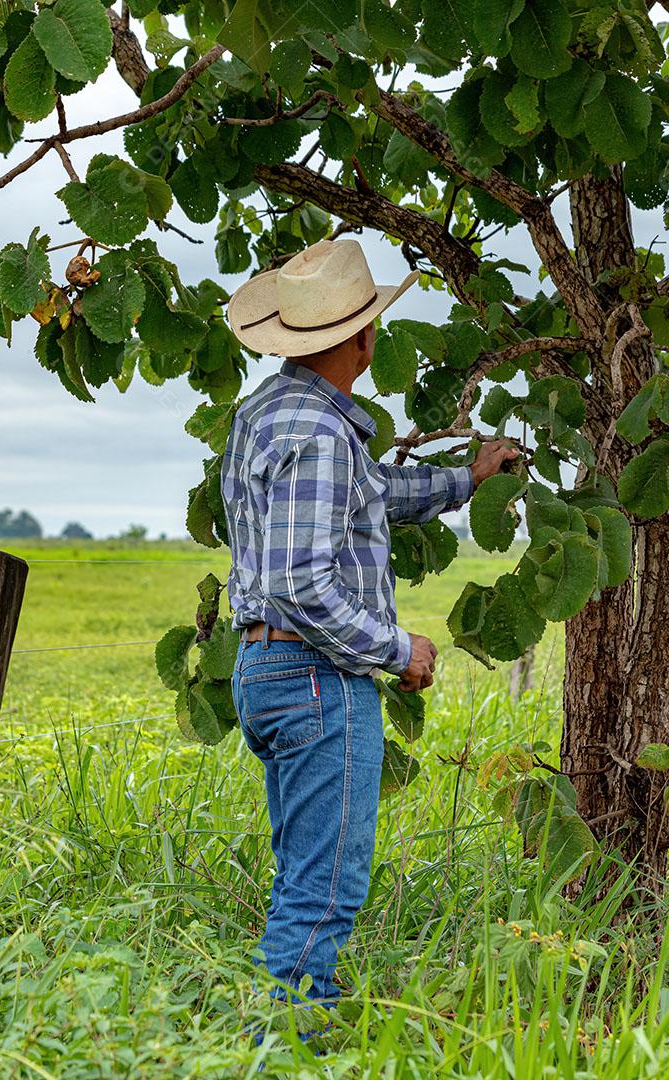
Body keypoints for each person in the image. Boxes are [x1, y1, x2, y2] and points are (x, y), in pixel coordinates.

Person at [220, 239, 518, 1016]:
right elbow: (300, 585)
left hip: (266, 674)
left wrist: (466, 480)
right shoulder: (319, 435)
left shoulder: (271, 415)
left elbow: (368, 492)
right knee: (324, 894)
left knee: (304, 878)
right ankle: (279, 1049)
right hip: (316, 679)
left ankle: (289, 1029)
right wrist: (396, 648)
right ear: (362, 338)